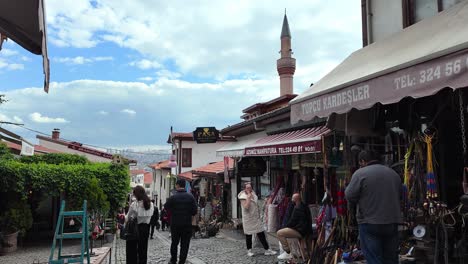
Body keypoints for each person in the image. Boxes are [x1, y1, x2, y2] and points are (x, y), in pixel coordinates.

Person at [345, 150, 402, 264]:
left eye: (360, 163)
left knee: (374, 259)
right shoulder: (393, 173)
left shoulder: (360, 173)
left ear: (362, 161)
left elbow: (349, 195)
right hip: (391, 221)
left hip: (370, 222)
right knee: (391, 259)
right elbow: (399, 195)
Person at [238, 182, 277, 257]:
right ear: (245, 189)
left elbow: (256, 205)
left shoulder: (254, 194)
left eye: (250, 187)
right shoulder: (242, 197)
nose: (249, 189)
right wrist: (249, 198)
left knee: (261, 233)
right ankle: (249, 250)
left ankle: (267, 249)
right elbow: (246, 207)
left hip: (256, 218)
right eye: (248, 188)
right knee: (248, 234)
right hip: (248, 219)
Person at [165, 179, 198, 264]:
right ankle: (182, 261)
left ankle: (173, 260)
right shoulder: (191, 197)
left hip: (175, 224)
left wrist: (173, 210)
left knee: (174, 243)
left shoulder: (173, 197)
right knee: (185, 244)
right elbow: (194, 211)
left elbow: (166, 207)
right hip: (187, 224)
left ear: (177, 185)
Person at [276, 193, 312, 260]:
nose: (291, 200)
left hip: (300, 231)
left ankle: (287, 252)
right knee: (284, 231)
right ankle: (295, 254)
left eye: (292, 198)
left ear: (295, 199)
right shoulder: (305, 206)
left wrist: (285, 227)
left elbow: (292, 222)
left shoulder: (297, 208)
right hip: (306, 230)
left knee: (279, 233)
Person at [125, 185, 154, 264]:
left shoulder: (134, 204)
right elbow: (150, 216)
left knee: (132, 250)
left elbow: (127, 217)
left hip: (134, 228)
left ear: (137, 194)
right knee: (143, 250)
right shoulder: (150, 204)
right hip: (145, 228)